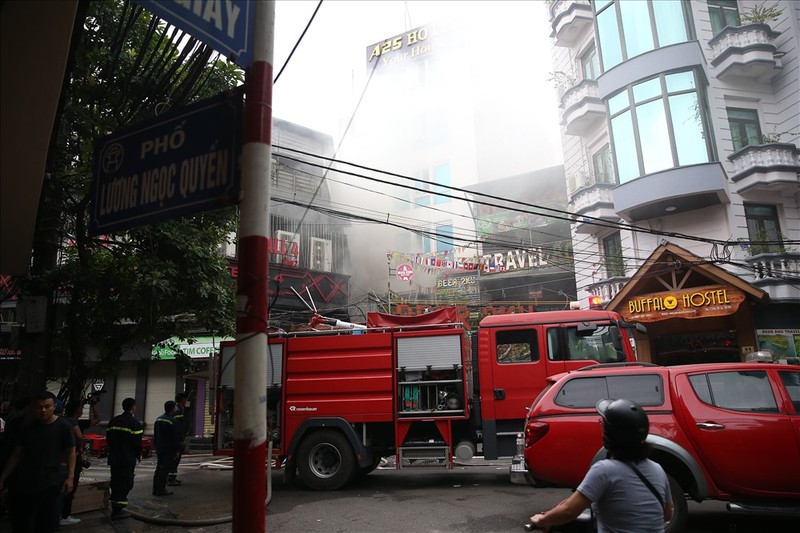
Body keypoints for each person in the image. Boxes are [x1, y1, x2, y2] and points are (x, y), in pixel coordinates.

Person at [529, 398, 673, 532]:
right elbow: (666, 515)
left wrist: (543, 520)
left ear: (609, 435)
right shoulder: (657, 469)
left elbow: (569, 511)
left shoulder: (605, 470)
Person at [0, 391, 75, 533]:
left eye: (47, 406)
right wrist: (3, 477)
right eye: (39, 407)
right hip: (27, 482)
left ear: (54, 407)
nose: (43, 410)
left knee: (47, 523)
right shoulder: (26, 428)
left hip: (51, 482)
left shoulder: (63, 426)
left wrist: (70, 477)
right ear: (33, 408)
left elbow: (72, 452)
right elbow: (17, 454)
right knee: (23, 523)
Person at [58, 398, 99, 527]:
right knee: (70, 486)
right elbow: (80, 436)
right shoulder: (73, 423)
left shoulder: (63, 421)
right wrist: (80, 446)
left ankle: (59, 513)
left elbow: (96, 420)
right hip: (71, 459)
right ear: (77, 411)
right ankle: (64, 515)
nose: (82, 410)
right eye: (81, 408)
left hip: (62, 459)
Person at [106, 397, 143, 520]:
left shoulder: (113, 421)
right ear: (133, 408)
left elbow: (109, 439)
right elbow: (137, 444)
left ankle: (115, 504)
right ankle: (118, 510)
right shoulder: (135, 424)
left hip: (115, 458)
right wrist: (139, 455)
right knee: (125, 482)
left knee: (115, 480)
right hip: (127, 458)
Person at [153, 401, 182, 496]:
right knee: (164, 469)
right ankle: (161, 489)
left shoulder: (158, 419)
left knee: (158, 468)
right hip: (168, 449)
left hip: (160, 448)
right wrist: (177, 450)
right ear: (173, 409)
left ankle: (155, 489)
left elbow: (156, 435)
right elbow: (175, 437)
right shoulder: (173, 421)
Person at [168, 392, 190, 486]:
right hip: (177, 439)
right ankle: (171, 478)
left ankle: (172, 477)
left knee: (175, 458)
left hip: (177, 437)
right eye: (185, 399)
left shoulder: (179, 409)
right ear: (182, 400)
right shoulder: (178, 410)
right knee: (175, 458)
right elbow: (178, 427)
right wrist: (181, 440)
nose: (186, 401)